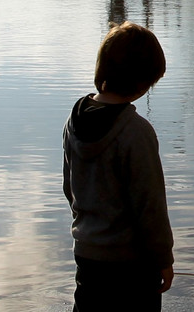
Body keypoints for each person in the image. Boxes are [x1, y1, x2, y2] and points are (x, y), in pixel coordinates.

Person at [63, 21, 174, 311]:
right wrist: (163, 259)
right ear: (141, 84)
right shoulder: (136, 132)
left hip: (87, 253)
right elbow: (149, 206)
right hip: (132, 263)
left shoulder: (73, 124)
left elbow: (69, 188)